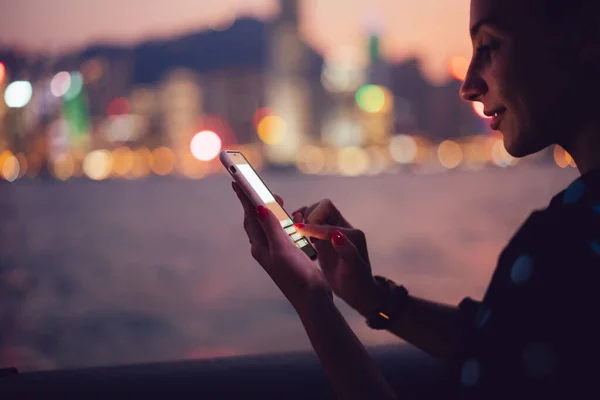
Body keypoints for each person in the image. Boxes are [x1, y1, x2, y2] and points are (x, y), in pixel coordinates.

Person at [233, 0, 600, 398]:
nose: (468, 85)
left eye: (489, 46)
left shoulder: (564, 246)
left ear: (583, 39)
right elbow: (505, 340)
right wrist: (373, 298)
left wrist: (311, 298)